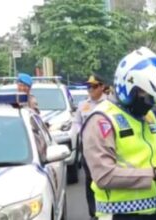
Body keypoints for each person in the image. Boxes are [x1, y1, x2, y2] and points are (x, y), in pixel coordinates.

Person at [81, 47, 156, 220]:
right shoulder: (102, 120)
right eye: (147, 97)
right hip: (121, 214)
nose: (151, 103)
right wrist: (155, 174)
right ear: (130, 89)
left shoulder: (148, 116)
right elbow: (104, 175)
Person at [71, 74, 107, 220]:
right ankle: (94, 212)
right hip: (87, 148)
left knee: (105, 177)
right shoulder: (83, 105)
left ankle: (106, 208)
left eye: (94, 86)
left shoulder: (109, 104)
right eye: (89, 86)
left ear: (102, 87)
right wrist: (83, 132)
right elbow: (76, 122)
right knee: (90, 180)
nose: (90, 89)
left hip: (106, 147)